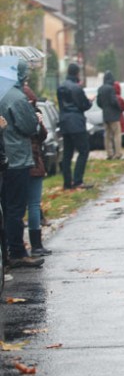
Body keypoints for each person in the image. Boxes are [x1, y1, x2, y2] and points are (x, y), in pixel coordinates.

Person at [0, 58, 44, 268]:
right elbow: (29, 127)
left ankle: (6, 253)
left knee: (5, 208)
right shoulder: (16, 97)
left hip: (4, 158)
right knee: (16, 209)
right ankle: (17, 252)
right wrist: (36, 118)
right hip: (17, 158)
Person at [21, 83, 51, 257]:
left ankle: (15, 246)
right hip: (33, 162)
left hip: (15, 164)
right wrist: (39, 123)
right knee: (33, 204)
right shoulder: (31, 114)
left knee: (15, 206)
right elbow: (42, 136)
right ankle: (36, 244)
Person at [57, 63, 93, 190]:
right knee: (83, 150)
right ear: (77, 73)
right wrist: (90, 101)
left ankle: (67, 182)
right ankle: (78, 180)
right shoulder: (77, 88)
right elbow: (84, 105)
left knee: (67, 153)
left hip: (65, 123)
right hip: (76, 123)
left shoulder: (60, 87)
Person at [97, 71, 123, 160]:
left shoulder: (100, 89)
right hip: (114, 115)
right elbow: (113, 101)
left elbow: (98, 102)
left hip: (105, 115)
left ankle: (109, 153)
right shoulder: (111, 88)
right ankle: (118, 153)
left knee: (107, 135)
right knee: (117, 134)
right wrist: (119, 107)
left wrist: (104, 107)